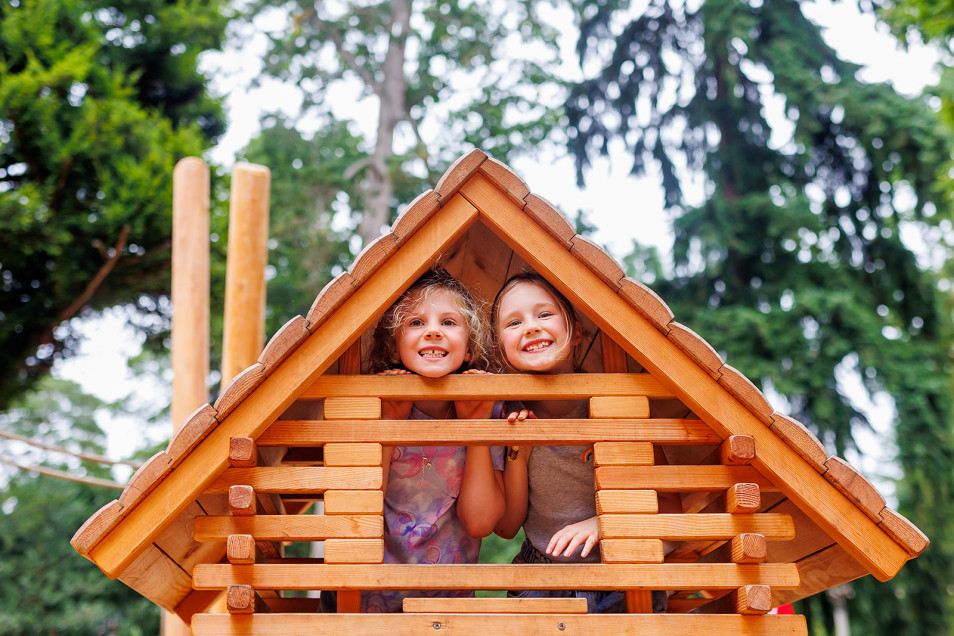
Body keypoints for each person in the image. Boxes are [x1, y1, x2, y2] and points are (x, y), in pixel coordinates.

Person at [490, 272, 669, 613]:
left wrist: (603, 523)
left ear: (576, 332)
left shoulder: (616, 407)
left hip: (620, 573)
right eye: (514, 322)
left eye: (544, 315)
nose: (531, 327)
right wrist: (519, 454)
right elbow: (508, 525)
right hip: (540, 576)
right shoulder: (507, 416)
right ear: (501, 349)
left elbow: (669, 505)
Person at [360, 268, 506, 613]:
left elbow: (481, 523)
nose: (434, 332)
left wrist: (475, 426)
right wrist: (389, 428)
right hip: (366, 605)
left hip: (449, 609)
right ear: (394, 349)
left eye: (449, 322)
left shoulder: (489, 406)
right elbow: (358, 514)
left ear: (469, 348)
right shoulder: (375, 407)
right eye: (416, 323)